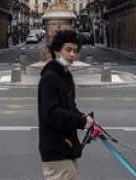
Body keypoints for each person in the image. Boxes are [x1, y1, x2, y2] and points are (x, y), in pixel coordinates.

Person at [37, 29, 94, 180]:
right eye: (68, 50)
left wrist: (84, 119)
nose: (72, 55)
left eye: (75, 51)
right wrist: (81, 121)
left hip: (66, 148)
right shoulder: (50, 77)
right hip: (57, 150)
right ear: (57, 51)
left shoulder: (65, 75)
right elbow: (52, 113)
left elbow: (69, 107)